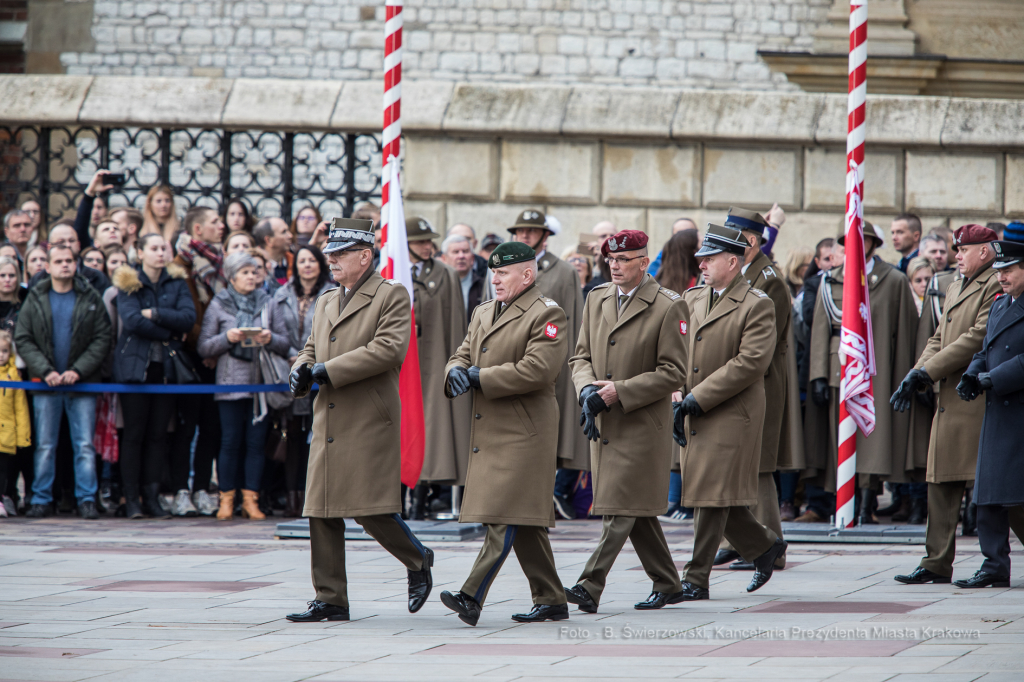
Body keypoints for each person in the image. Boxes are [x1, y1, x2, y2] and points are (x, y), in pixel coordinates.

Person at [286, 218, 433, 623]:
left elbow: (388, 349)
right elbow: (311, 347)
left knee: (370, 509)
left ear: (365, 256)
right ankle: (330, 598)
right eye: (330, 253)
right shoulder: (327, 299)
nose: (329, 259)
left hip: (369, 416)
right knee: (321, 509)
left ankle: (418, 559)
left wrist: (326, 370)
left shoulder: (391, 294)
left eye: (340, 253)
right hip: (329, 418)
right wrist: (302, 368)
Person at [440, 240, 570, 626]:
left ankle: (471, 595)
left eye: (502, 273)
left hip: (525, 430)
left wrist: (480, 377)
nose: (494, 279)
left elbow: (538, 369)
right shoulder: (483, 311)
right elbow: (461, 353)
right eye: (493, 272)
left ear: (526, 275)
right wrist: (455, 374)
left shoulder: (548, 314)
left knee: (503, 514)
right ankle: (551, 598)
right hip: (494, 429)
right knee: (524, 518)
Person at [564, 229, 689, 613]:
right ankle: (668, 582)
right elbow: (580, 358)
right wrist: (585, 388)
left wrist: (621, 390)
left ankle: (589, 585)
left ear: (642, 261)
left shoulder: (668, 306)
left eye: (623, 261)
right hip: (603, 423)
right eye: (611, 261)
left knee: (619, 507)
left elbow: (674, 372)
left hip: (640, 424)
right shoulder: (597, 297)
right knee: (634, 510)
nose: (615, 267)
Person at [677, 224, 787, 600]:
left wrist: (699, 396)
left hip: (731, 410)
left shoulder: (757, 303)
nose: (702, 265)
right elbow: (678, 352)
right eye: (701, 259)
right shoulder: (692, 298)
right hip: (695, 408)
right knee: (713, 492)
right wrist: (678, 393)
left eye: (709, 259)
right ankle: (764, 546)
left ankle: (695, 578)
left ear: (732, 261)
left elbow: (750, 362)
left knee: (710, 493)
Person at [891, 225, 1003, 585]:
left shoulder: (995, 284)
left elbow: (977, 338)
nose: (956, 255)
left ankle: (993, 562)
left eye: (963, 250)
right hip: (949, 398)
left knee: (991, 490)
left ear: (984, 252)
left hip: (977, 397)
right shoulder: (956, 283)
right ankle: (935, 561)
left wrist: (927, 372)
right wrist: (917, 373)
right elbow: (939, 335)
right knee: (939, 482)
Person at [805, 222, 918, 524]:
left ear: (874, 243)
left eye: (863, 239)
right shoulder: (831, 281)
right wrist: (817, 374)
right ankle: (844, 502)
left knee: (873, 440)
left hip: (877, 371)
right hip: (838, 370)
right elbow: (820, 330)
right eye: (850, 239)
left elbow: (904, 332)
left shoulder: (892, 280)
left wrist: (904, 374)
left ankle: (867, 503)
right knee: (839, 438)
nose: (856, 244)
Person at [710, 208, 792, 571]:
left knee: (758, 467)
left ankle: (771, 544)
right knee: (735, 463)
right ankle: (738, 540)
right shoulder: (740, 274)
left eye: (733, 236)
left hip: (760, 383)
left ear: (751, 241)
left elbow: (761, 345)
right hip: (735, 381)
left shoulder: (768, 280)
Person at [15, 244, 111, 519]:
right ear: (48, 266)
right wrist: (45, 371)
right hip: (46, 384)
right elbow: (23, 338)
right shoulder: (36, 297)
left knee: (84, 445)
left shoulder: (89, 296)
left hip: (81, 384)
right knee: (45, 445)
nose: (65, 265)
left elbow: (102, 337)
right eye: (59, 261)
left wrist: (78, 370)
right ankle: (42, 498)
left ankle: (87, 498)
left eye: (69, 260)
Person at [954, 238, 1024, 588]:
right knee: (989, 494)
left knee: (1015, 495)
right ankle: (994, 564)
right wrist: (971, 374)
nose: (1001, 277)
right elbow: (986, 347)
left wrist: (991, 379)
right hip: (998, 409)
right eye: (999, 271)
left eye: (1009, 270)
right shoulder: (1000, 305)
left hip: (1019, 409)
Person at [198, 251, 289, 521]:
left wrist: (269, 337)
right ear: (231, 277)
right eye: (246, 273)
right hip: (229, 384)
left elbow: (284, 343)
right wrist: (227, 337)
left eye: (254, 272)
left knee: (255, 443)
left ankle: (251, 500)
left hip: (261, 385)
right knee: (229, 442)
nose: (252, 277)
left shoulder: (268, 303)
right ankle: (226, 499)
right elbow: (204, 346)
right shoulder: (219, 304)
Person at [112, 233, 197, 519]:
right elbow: (133, 321)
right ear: (140, 252)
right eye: (154, 248)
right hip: (136, 369)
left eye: (164, 248)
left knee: (158, 436)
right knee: (134, 434)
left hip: (167, 370)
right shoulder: (128, 281)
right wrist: (171, 332)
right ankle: (132, 498)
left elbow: (188, 318)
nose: (161, 253)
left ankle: (152, 497)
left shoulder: (177, 281)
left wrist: (156, 313)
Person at [508, 210, 588, 475]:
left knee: (546, 432)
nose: (525, 235)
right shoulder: (503, 268)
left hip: (549, 361)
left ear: (545, 236)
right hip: (510, 360)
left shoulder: (564, 272)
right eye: (520, 231)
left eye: (531, 230)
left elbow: (573, 321)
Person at [404, 217, 471, 518]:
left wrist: (456, 365)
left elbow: (456, 325)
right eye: (420, 242)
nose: (427, 247)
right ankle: (394, 503)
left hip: (431, 366)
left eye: (430, 241)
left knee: (430, 433)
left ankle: (420, 502)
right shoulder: (391, 272)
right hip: (400, 367)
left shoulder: (445, 274)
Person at [268, 245, 336, 517]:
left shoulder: (331, 293)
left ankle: (313, 494)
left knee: (318, 435)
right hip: (288, 370)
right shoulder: (281, 294)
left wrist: (310, 360)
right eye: (302, 261)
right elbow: (275, 330)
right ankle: (291, 496)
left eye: (312, 260)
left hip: (319, 371)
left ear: (321, 264)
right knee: (292, 436)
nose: (307, 265)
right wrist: (291, 358)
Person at [171, 206, 226, 516]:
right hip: (189, 358)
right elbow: (186, 315)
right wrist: (203, 347)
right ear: (197, 231)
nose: (221, 226)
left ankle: (202, 488)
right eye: (215, 222)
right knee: (186, 427)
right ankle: (180, 489)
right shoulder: (180, 266)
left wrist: (214, 350)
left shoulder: (220, 266)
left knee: (211, 428)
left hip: (215, 358)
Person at [31, 224, 111, 294]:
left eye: (72, 240)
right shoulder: (38, 280)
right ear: (49, 247)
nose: (68, 245)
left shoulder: (97, 277)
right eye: (61, 241)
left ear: (79, 245)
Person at [0, 330, 29, 518]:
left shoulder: (14, 376)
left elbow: (21, 409)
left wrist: (23, 437)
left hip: (7, 435)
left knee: (4, 473)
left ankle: (3, 499)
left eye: (4, 351)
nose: (0, 355)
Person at [442, 232, 492, 320]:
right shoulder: (437, 287)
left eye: (465, 251)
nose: (461, 256)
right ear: (444, 259)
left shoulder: (484, 286)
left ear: (472, 259)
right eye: (456, 252)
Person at [252, 217, 294, 287]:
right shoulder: (253, 266)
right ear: (268, 240)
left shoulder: (294, 261)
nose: (290, 236)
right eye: (284, 232)